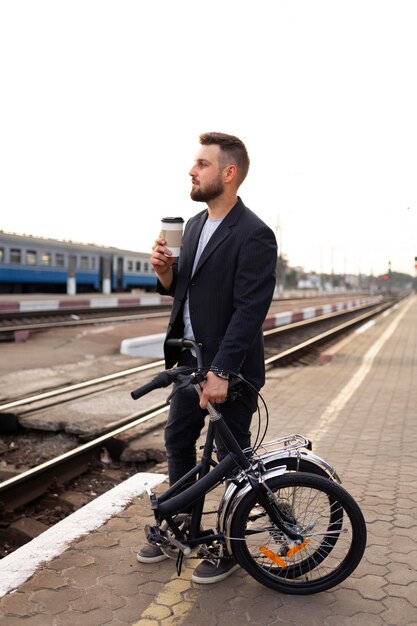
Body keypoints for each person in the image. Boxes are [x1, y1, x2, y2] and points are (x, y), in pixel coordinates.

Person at [137, 131, 277, 584]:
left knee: (229, 462)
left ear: (228, 173)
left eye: (201, 164)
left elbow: (249, 310)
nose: (192, 171)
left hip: (228, 372)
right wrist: (165, 273)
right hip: (189, 363)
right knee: (179, 442)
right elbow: (186, 291)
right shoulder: (194, 226)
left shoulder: (254, 234)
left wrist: (221, 371)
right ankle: (181, 526)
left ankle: (228, 545)